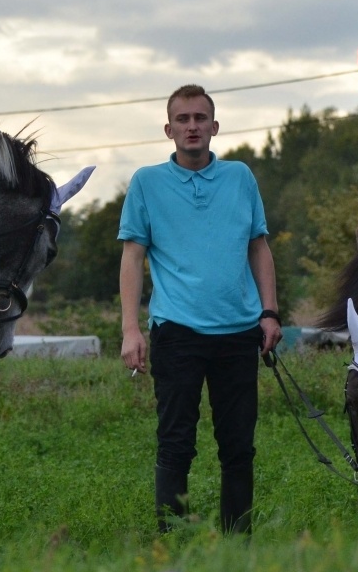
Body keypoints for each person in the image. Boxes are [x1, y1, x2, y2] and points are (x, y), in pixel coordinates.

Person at [118, 85, 284, 534]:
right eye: (183, 119)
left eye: (200, 118)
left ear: (214, 126)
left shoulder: (240, 177)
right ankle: (171, 541)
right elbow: (133, 256)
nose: (192, 126)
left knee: (238, 447)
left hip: (237, 331)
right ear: (169, 129)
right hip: (177, 332)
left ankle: (238, 541)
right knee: (175, 443)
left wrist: (270, 312)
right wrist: (130, 329)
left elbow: (259, 247)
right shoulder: (147, 183)